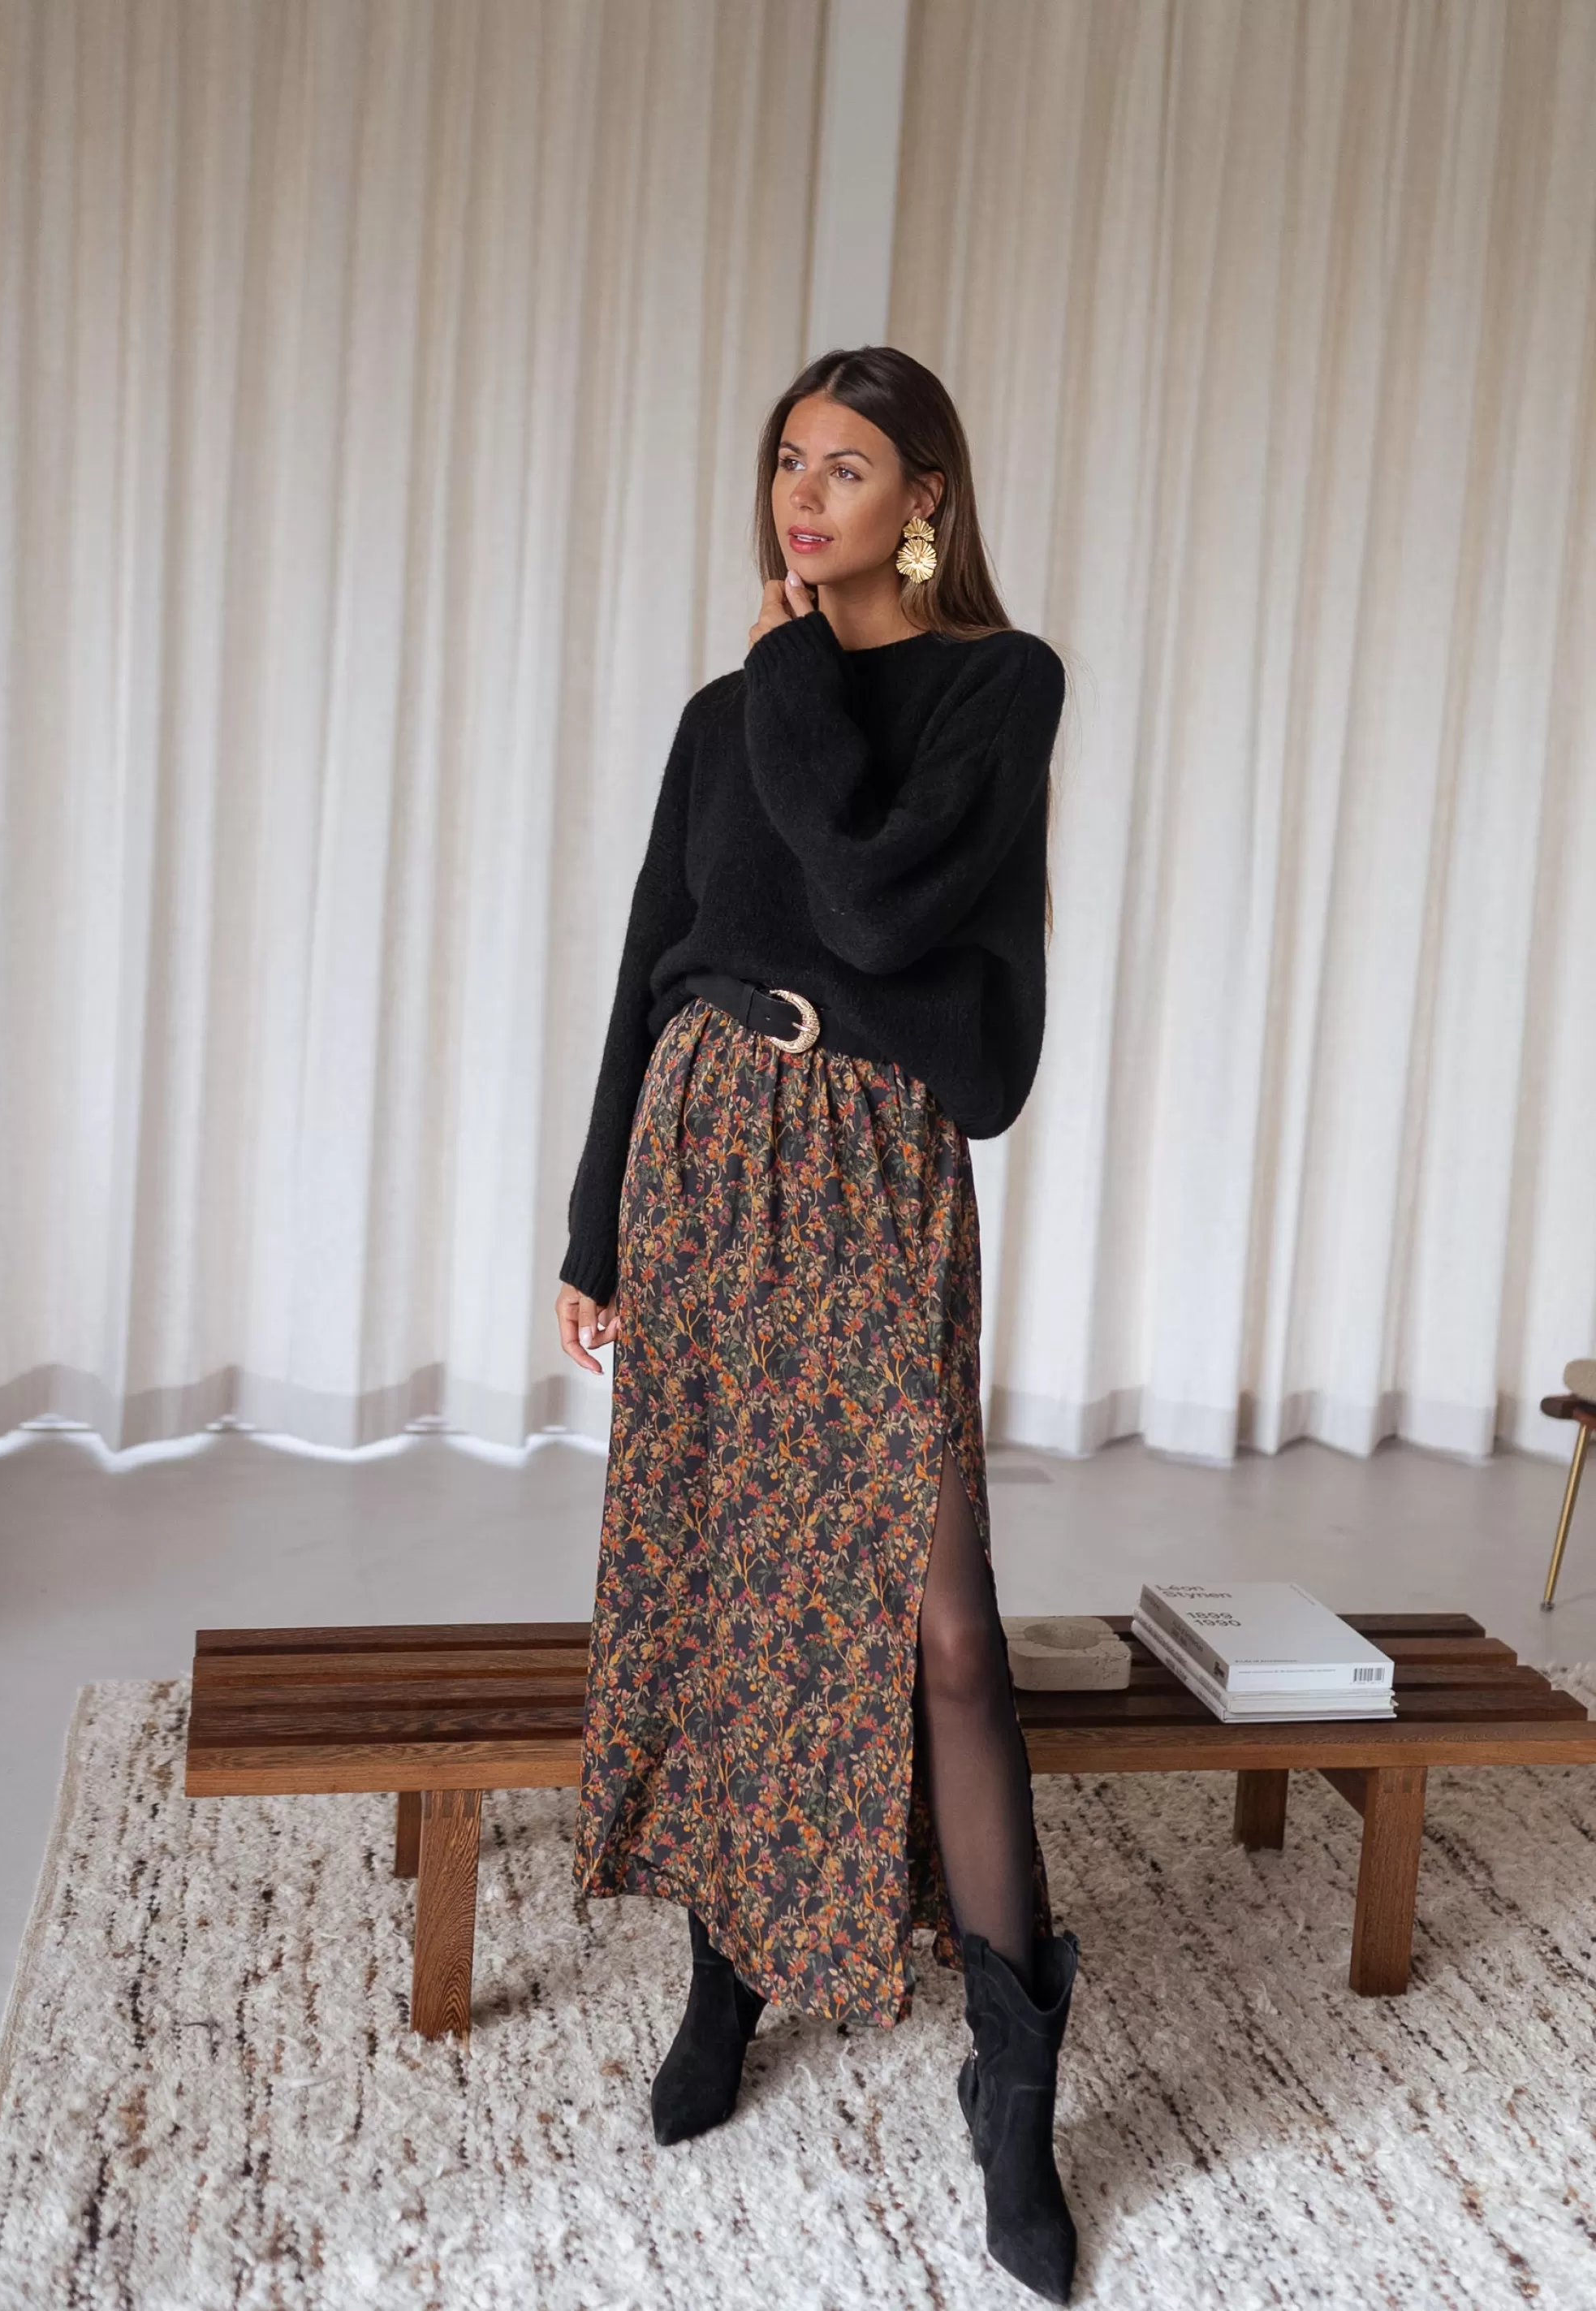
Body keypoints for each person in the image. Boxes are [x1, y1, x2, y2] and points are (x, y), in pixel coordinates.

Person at [554, 345, 1076, 2304]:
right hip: (703, 1160)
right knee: (730, 1591)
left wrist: (793, 663)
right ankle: (728, 1973)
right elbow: (651, 961)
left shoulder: (995, 690)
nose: (803, 494)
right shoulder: (723, 719)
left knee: (948, 1633)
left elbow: (868, 908)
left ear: (924, 497)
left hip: (869, 1174)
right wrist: (593, 1222)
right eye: (790, 459)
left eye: (846, 467)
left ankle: (1013, 2084)